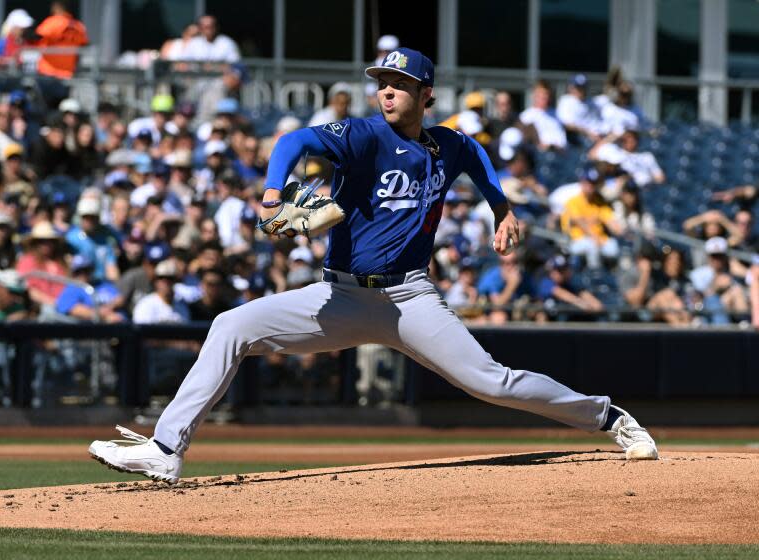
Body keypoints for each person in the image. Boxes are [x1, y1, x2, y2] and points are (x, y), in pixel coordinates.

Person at [89, 46, 658, 484]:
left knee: (491, 382)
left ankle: (609, 419)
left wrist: (501, 208)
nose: (387, 92)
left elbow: (478, 157)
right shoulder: (361, 136)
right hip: (338, 298)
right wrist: (270, 195)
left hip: (409, 300)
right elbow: (291, 142)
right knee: (230, 326)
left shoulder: (447, 145)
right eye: (381, 83)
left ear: (425, 93)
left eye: (399, 84)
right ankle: (165, 451)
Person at [560, 165, 623, 269]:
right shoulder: (573, 202)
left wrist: (618, 229)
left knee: (614, 246)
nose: (590, 186)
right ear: (582, 182)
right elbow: (579, 221)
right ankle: (594, 276)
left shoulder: (599, 202)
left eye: (593, 183)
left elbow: (610, 220)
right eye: (588, 182)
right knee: (591, 245)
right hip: (576, 241)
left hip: (599, 240)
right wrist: (594, 236)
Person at [33, 1, 88, 79]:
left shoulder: (52, 22)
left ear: (56, 7)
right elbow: (84, 45)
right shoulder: (79, 26)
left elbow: (36, 37)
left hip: (48, 71)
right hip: (68, 74)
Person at [518, 81, 567, 151]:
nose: (544, 96)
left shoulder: (557, 114)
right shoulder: (526, 116)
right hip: (540, 155)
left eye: (546, 93)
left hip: (562, 153)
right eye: (541, 94)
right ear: (534, 95)